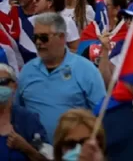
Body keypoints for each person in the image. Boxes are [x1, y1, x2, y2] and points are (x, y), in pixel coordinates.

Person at [16, 12, 106, 142]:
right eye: (35, 37)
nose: (38, 43)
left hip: (73, 152)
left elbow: (101, 115)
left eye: (44, 37)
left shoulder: (86, 70)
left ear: (62, 37)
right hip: (34, 152)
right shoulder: (27, 70)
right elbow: (18, 111)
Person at [0, 63, 48, 161]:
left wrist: (26, 148)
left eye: (2, 82)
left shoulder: (28, 120)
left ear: (14, 86)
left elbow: (46, 158)